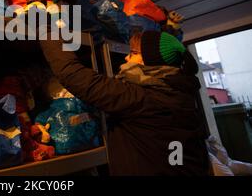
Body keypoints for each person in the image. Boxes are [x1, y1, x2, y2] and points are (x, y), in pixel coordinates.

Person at [40, 30, 210, 175]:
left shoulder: (144, 99)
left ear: (149, 62)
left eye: (134, 53)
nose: (127, 58)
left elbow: (75, 76)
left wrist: (47, 31)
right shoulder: (178, 95)